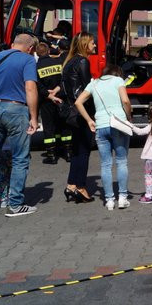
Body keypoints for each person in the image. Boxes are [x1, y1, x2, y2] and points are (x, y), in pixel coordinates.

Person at [0, 33, 39, 217]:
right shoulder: (27, 60)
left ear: (12, 44)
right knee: (20, 158)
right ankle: (16, 204)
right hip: (16, 109)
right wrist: (33, 117)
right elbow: (30, 87)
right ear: (31, 48)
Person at [75, 64, 132, 211]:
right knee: (121, 161)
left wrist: (89, 120)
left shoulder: (93, 83)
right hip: (118, 124)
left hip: (100, 125)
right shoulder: (119, 81)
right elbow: (125, 101)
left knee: (106, 164)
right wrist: (129, 117)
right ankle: (123, 198)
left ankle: (109, 200)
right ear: (117, 72)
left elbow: (78, 102)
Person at [62, 32, 97, 204]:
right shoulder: (83, 62)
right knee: (84, 151)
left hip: (71, 113)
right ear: (84, 44)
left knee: (76, 150)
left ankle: (71, 185)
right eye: (92, 43)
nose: (95, 46)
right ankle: (81, 186)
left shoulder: (69, 62)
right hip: (82, 112)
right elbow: (87, 88)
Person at [35, 41, 66, 164]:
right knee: (61, 125)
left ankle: (51, 155)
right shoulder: (58, 63)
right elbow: (64, 79)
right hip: (60, 97)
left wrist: (48, 95)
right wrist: (56, 91)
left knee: (49, 127)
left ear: (37, 54)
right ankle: (66, 152)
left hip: (46, 100)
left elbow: (38, 85)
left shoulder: (36, 67)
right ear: (48, 51)